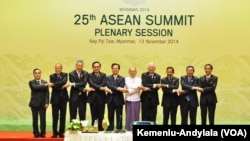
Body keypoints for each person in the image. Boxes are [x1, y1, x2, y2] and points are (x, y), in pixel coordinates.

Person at [28, 68, 52, 138]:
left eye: (39, 73)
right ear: (33, 74)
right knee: (35, 119)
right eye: (36, 73)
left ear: (40, 74)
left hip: (43, 104)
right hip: (34, 104)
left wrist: (47, 102)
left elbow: (47, 93)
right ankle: (36, 133)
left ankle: (43, 133)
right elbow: (35, 88)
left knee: (43, 119)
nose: (37, 74)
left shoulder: (45, 82)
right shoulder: (31, 82)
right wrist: (45, 85)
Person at [87, 61, 109, 131]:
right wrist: (100, 88)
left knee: (101, 114)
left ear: (100, 67)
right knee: (93, 114)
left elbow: (104, 83)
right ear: (92, 67)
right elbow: (91, 83)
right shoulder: (89, 75)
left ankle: (100, 128)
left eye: (98, 67)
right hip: (92, 97)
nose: (96, 68)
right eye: (95, 67)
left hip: (101, 97)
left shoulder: (104, 75)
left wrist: (97, 87)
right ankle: (94, 128)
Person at [49, 63, 69, 138]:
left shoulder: (65, 75)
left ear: (61, 68)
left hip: (63, 99)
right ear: (55, 69)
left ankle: (61, 132)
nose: (57, 69)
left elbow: (63, 82)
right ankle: (54, 132)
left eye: (59, 68)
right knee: (55, 116)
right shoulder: (51, 76)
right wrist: (61, 86)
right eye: (56, 68)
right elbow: (56, 86)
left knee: (62, 116)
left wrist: (54, 84)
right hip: (55, 99)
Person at [106, 63, 126, 131]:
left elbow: (122, 87)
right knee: (110, 115)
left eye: (116, 68)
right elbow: (109, 85)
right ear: (112, 69)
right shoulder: (108, 77)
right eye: (114, 68)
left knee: (119, 115)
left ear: (119, 69)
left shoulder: (122, 78)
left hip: (119, 99)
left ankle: (119, 128)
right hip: (110, 99)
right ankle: (110, 127)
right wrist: (117, 88)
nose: (115, 69)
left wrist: (112, 90)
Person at [124, 67, 142, 131]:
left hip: (136, 99)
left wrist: (129, 91)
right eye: (131, 71)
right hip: (128, 99)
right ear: (129, 72)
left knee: (136, 114)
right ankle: (128, 128)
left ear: (136, 72)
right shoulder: (126, 79)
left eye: (134, 71)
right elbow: (124, 89)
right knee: (128, 114)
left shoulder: (139, 79)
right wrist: (131, 89)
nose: (132, 72)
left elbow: (138, 89)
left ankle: (135, 128)